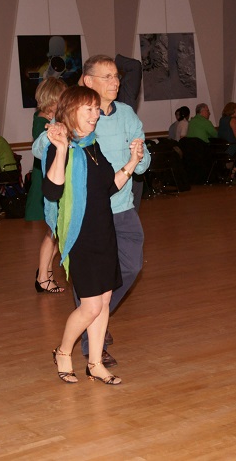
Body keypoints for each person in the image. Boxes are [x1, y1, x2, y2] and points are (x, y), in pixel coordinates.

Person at [33, 54, 150, 367]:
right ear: (88, 81)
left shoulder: (115, 124)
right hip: (84, 221)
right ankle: (79, 347)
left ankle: (94, 330)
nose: (115, 82)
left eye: (116, 76)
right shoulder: (70, 131)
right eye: (107, 76)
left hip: (117, 212)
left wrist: (137, 158)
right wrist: (56, 139)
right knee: (91, 293)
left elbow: (123, 176)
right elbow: (43, 159)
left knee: (124, 274)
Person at [27, 76, 68, 293]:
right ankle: (43, 276)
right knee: (53, 231)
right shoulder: (42, 122)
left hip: (55, 178)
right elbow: (43, 150)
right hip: (51, 179)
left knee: (56, 231)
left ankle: (45, 273)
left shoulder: (49, 119)